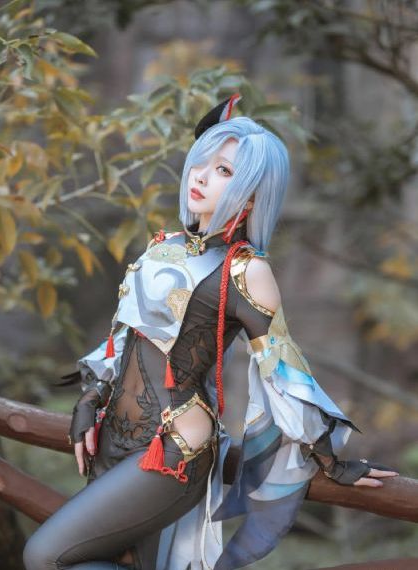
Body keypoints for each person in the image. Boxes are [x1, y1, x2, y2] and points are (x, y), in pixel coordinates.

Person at [23, 94, 398, 570]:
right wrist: (90, 399)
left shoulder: (247, 271)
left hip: (171, 449)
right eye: (202, 162)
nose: (200, 176)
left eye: (224, 171)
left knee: (44, 556)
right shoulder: (164, 245)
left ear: (253, 195)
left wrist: (330, 459)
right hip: (112, 436)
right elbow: (126, 337)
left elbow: (283, 369)